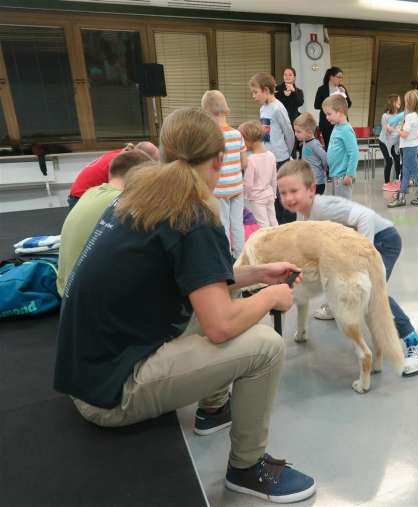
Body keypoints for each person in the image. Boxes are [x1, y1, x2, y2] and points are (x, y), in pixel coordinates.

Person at [53, 107, 315, 503]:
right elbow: (221, 326)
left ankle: (214, 410)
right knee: (266, 346)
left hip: (86, 373)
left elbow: (201, 277)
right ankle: (247, 467)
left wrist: (259, 274)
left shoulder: (137, 199)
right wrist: (272, 296)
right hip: (111, 395)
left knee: (215, 298)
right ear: (217, 162)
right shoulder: (193, 214)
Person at [277, 160, 418, 375]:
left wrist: (362, 254)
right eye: (283, 193)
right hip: (365, 245)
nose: (288, 198)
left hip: (384, 241)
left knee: (374, 294)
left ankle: (415, 341)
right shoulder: (304, 213)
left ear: (311, 189)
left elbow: (365, 216)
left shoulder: (322, 206)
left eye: (294, 191)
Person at [57, 148, 152, 296]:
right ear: (141, 177)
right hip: (88, 298)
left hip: (65, 289)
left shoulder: (91, 193)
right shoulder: (123, 202)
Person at [201, 90, 247, 258]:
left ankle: (225, 256)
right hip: (236, 187)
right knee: (237, 224)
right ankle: (241, 256)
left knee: (222, 224)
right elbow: (245, 163)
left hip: (218, 189)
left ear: (206, 112)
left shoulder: (208, 137)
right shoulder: (237, 134)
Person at [249, 72, 296, 224]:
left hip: (281, 158)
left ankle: (288, 226)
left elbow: (289, 132)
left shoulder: (278, 108)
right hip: (269, 158)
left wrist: (287, 153)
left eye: (255, 92)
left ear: (266, 90)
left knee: (284, 195)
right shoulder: (263, 108)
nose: (253, 96)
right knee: (272, 195)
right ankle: (276, 226)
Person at [67, 141, 158, 209]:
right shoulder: (124, 162)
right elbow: (129, 191)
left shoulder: (122, 153)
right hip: (80, 199)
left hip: (81, 196)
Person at [387, 90, 418, 208]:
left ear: (409, 102)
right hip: (411, 146)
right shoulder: (416, 115)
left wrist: (394, 130)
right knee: (405, 173)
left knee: (415, 173)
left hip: (409, 148)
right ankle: (402, 197)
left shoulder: (410, 116)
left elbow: (404, 134)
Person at [239, 120, 278, 227]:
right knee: (273, 220)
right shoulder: (271, 155)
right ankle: (278, 240)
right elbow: (274, 178)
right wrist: (274, 194)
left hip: (257, 198)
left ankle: (265, 243)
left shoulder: (251, 160)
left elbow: (248, 183)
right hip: (270, 194)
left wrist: (246, 196)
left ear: (248, 141)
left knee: (262, 224)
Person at [321, 94, 358, 201]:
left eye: (329, 114)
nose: (327, 117)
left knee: (343, 207)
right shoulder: (337, 126)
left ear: (340, 112)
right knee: (337, 205)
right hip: (335, 174)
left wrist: (350, 175)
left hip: (343, 176)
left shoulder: (346, 130)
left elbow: (354, 153)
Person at [314, 67, 352, 148]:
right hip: (327, 122)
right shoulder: (322, 89)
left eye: (342, 77)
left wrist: (344, 95)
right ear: (331, 77)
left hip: (340, 121)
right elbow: (316, 105)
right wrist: (329, 103)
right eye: (338, 77)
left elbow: (349, 104)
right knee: (329, 146)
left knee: (342, 145)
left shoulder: (342, 88)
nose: (340, 79)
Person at [293, 112, 328, 195]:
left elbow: (325, 158)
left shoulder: (315, 144)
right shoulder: (305, 142)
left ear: (309, 132)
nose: (295, 134)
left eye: (298, 131)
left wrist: (323, 169)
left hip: (317, 183)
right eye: (295, 131)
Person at [379, 94, 402, 192]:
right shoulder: (385, 116)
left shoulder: (399, 116)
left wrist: (395, 130)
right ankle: (387, 183)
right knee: (388, 161)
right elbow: (387, 130)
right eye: (398, 101)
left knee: (397, 160)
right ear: (393, 102)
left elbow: (398, 129)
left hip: (394, 142)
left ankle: (397, 180)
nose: (400, 103)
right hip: (384, 141)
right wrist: (394, 130)